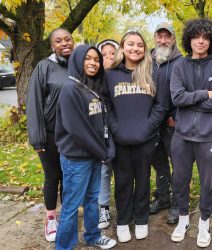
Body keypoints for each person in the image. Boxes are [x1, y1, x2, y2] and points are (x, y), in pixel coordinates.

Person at [103, 31, 168, 242]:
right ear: (122, 47)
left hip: (146, 139)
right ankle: (123, 221)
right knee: (122, 182)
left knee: (142, 181)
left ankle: (141, 220)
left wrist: (148, 126)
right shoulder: (110, 74)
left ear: (144, 48)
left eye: (140, 45)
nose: (135, 48)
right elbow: (105, 104)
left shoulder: (152, 71)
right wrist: (115, 127)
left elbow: (161, 105)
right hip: (120, 139)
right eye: (130, 44)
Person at [170, 18, 212, 248]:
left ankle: (204, 222)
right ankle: (183, 219)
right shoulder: (179, 66)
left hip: (208, 136)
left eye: (205, 37)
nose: (201, 41)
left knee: (207, 183)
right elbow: (176, 98)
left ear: (211, 40)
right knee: (180, 180)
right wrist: (205, 93)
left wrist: (189, 99)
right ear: (189, 39)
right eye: (196, 36)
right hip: (182, 135)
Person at [54, 44, 117, 249]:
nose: (93, 63)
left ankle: (92, 235)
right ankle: (65, 246)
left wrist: (108, 147)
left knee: (92, 200)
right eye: (88, 59)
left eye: (96, 60)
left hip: (95, 156)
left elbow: (101, 123)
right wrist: (103, 152)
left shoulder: (90, 88)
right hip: (76, 159)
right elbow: (78, 130)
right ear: (77, 61)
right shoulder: (70, 89)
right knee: (72, 206)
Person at [26, 28, 74, 242]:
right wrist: (37, 137)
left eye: (68, 39)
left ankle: (65, 217)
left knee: (68, 177)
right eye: (58, 40)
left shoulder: (77, 66)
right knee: (52, 176)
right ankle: (51, 219)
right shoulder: (44, 67)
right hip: (50, 134)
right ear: (52, 45)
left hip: (72, 135)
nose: (64, 43)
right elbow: (34, 103)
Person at [149, 22, 182, 224]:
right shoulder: (145, 60)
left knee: (177, 164)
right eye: (159, 36)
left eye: (166, 36)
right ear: (154, 38)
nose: (163, 40)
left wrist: (176, 117)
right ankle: (163, 198)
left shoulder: (181, 62)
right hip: (151, 123)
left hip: (172, 123)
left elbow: (187, 91)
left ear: (173, 39)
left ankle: (178, 203)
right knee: (158, 164)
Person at [96, 39, 119, 229]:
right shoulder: (95, 77)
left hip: (122, 130)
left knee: (123, 170)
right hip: (102, 131)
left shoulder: (123, 74)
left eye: (113, 53)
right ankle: (103, 207)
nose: (109, 57)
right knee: (104, 169)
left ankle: (124, 204)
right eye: (104, 54)